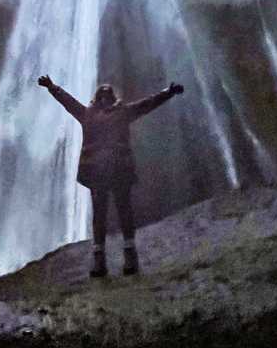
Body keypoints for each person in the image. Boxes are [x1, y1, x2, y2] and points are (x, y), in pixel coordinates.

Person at [37, 74, 184, 277]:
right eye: (102, 94)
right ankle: (110, 258)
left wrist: (167, 93)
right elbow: (68, 102)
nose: (105, 97)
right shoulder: (109, 113)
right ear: (98, 98)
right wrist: (52, 87)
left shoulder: (101, 113)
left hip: (106, 169)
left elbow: (147, 104)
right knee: (111, 212)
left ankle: (119, 257)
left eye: (107, 94)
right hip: (108, 169)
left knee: (113, 212)